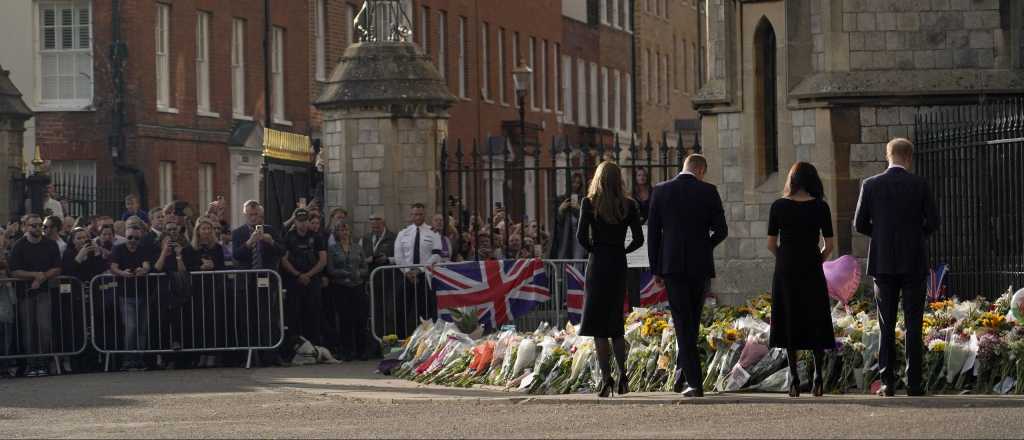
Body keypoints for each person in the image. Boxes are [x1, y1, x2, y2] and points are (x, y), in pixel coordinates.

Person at [854, 138, 940, 397]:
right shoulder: (920, 184)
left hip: (883, 263)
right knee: (914, 323)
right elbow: (934, 221)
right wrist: (915, 237)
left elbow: (859, 224)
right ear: (909, 158)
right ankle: (914, 383)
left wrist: (879, 236)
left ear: (887, 156)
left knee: (886, 324)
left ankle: (888, 382)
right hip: (913, 260)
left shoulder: (870, 185)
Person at [647, 154, 728, 398]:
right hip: (700, 266)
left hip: (672, 266)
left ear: (684, 167)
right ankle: (688, 377)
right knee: (691, 321)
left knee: (683, 321)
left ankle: (689, 378)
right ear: (701, 170)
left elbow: (653, 234)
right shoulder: (709, 191)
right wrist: (705, 246)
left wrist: (656, 268)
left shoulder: (661, 191)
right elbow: (721, 230)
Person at [766, 162, 836, 398]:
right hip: (811, 266)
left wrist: (784, 258)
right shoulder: (821, 207)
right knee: (815, 315)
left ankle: (794, 379)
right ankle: (818, 377)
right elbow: (830, 244)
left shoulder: (778, 206)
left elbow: (770, 244)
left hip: (786, 268)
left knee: (789, 317)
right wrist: (818, 259)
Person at [575, 161, 644, 398]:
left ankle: (606, 380)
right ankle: (623, 376)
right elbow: (639, 240)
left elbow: (581, 237)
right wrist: (621, 251)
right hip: (617, 263)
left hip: (598, 263)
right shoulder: (629, 205)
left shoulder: (589, 203)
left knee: (598, 326)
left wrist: (596, 248)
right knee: (615, 323)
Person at [7, 214, 63, 377]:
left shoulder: (50, 244)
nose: (38, 228)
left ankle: (43, 363)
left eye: (40, 225)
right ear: (25, 227)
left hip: (44, 292)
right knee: (29, 330)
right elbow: (14, 270)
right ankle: (32, 364)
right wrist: (35, 275)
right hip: (25, 294)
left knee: (44, 328)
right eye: (33, 225)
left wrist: (42, 277)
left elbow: (57, 268)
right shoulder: (19, 246)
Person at [231, 200, 286, 365]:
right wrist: (250, 243)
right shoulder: (238, 233)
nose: (253, 218)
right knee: (248, 318)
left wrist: (270, 241)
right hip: (246, 281)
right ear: (245, 215)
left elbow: (282, 251)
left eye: (256, 215)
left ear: (261, 216)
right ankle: (250, 356)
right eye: (250, 215)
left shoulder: (270, 230)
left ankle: (271, 355)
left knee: (268, 318)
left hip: (267, 280)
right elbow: (237, 255)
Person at [281, 208, 328, 351]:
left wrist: (308, 275)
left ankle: (314, 348)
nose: (302, 224)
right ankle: (294, 349)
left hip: (312, 281)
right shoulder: (289, 237)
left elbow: (323, 260)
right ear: (295, 221)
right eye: (299, 221)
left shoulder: (317, 237)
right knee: (294, 315)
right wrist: (297, 275)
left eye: (305, 221)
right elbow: (284, 259)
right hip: (294, 281)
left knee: (313, 314)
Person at [183, 217, 227, 368]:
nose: (206, 231)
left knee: (213, 321)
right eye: (203, 228)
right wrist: (200, 269)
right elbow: (186, 269)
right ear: (198, 231)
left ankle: (212, 354)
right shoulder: (190, 249)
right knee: (198, 321)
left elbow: (223, 268)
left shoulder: (217, 248)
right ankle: (200, 354)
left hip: (213, 289)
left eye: (209, 229)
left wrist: (213, 266)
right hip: (196, 290)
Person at [393, 203, 442, 337]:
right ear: (411, 215)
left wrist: (419, 270)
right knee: (402, 308)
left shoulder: (433, 232)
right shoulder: (403, 233)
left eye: (420, 214)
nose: (417, 217)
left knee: (425, 310)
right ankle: (402, 339)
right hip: (406, 276)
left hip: (424, 276)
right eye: (414, 214)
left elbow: (437, 254)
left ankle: (426, 339)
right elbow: (398, 255)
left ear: (424, 214)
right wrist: (408, 272)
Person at [109, 224, 153, 371]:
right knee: (131, 327)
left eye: (136, 238)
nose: (133, 240)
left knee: (142, 328)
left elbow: (147, 265)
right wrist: (122, 273)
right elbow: (113, 267)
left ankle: (139, 359)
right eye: (130, 237)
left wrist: (144, 270)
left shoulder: (143, 249)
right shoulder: (118, 249)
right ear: (125, 236)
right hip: (125, 295)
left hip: (142, 293)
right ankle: (128, 360)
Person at [327, 222, 370, 361]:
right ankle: (346, 350)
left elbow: (365, 267)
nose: (344, 232)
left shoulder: (357, 248)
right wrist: (343, 273)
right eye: (341, 230)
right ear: (337, 233)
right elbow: (330, 269)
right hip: (341, 287)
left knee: (360, 318)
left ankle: (361, 350)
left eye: (346, 229)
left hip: (357, 286)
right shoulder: (333, 249)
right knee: (345, 319)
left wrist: (359, 273)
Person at [360, 213, 396, 344]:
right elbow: (359, 257)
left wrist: (387, 259)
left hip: (388, 280)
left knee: (389, 313)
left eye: (377, 222)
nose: (374, 226)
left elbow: (400, 257)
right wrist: (367, 260)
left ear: (383, 223)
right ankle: (375, 344)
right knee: (374, 313)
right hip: (372, 281)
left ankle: (389, 343)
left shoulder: (393, 237)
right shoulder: (366, 238)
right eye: (372, 223)